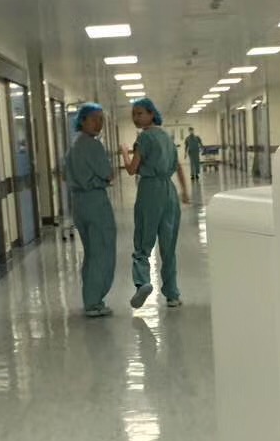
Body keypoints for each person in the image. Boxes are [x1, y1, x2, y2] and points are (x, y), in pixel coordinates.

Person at [120, 97, 189, 310]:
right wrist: (185, 190)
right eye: (133, 114)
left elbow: (132, 169)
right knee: (168, 246)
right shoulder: (167, 137)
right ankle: (172, 294)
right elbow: (178, 166)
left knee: (143, 241)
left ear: (152, 114)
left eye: (140, 113)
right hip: (169, 192)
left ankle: (142, 283)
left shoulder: (144, 138)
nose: (136, 117)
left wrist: (124, 153)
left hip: (150, 191)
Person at [65, 103, 116, 318]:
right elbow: (108, 173)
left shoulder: (74, 147)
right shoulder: (94, 146)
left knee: (91, 252)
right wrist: (104, 178)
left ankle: (90, 297)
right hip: (95, 202)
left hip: (79, 204)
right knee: (101, 252)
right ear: (82, 120)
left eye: (101, 119)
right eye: (94, 119)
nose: (98, 123)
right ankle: (94, 302)